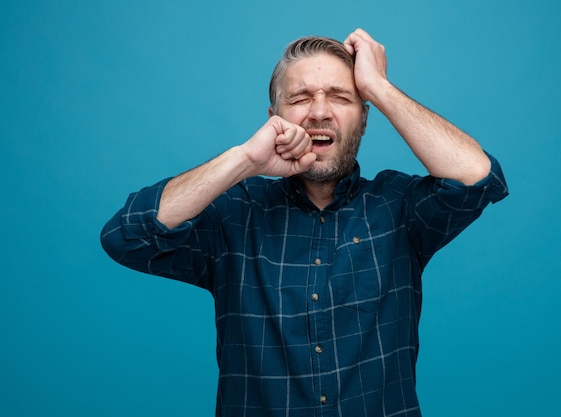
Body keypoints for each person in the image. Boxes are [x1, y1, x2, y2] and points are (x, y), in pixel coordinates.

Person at [101, 28, 508, 417]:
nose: (318, 111)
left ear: (365, 118)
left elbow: (478, 176)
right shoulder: (234, 214)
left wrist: (379, 87)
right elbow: (127, 236)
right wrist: (245, 160)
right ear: (273, 116)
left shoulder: (398, 207)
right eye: (300, 98)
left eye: (340, 97)